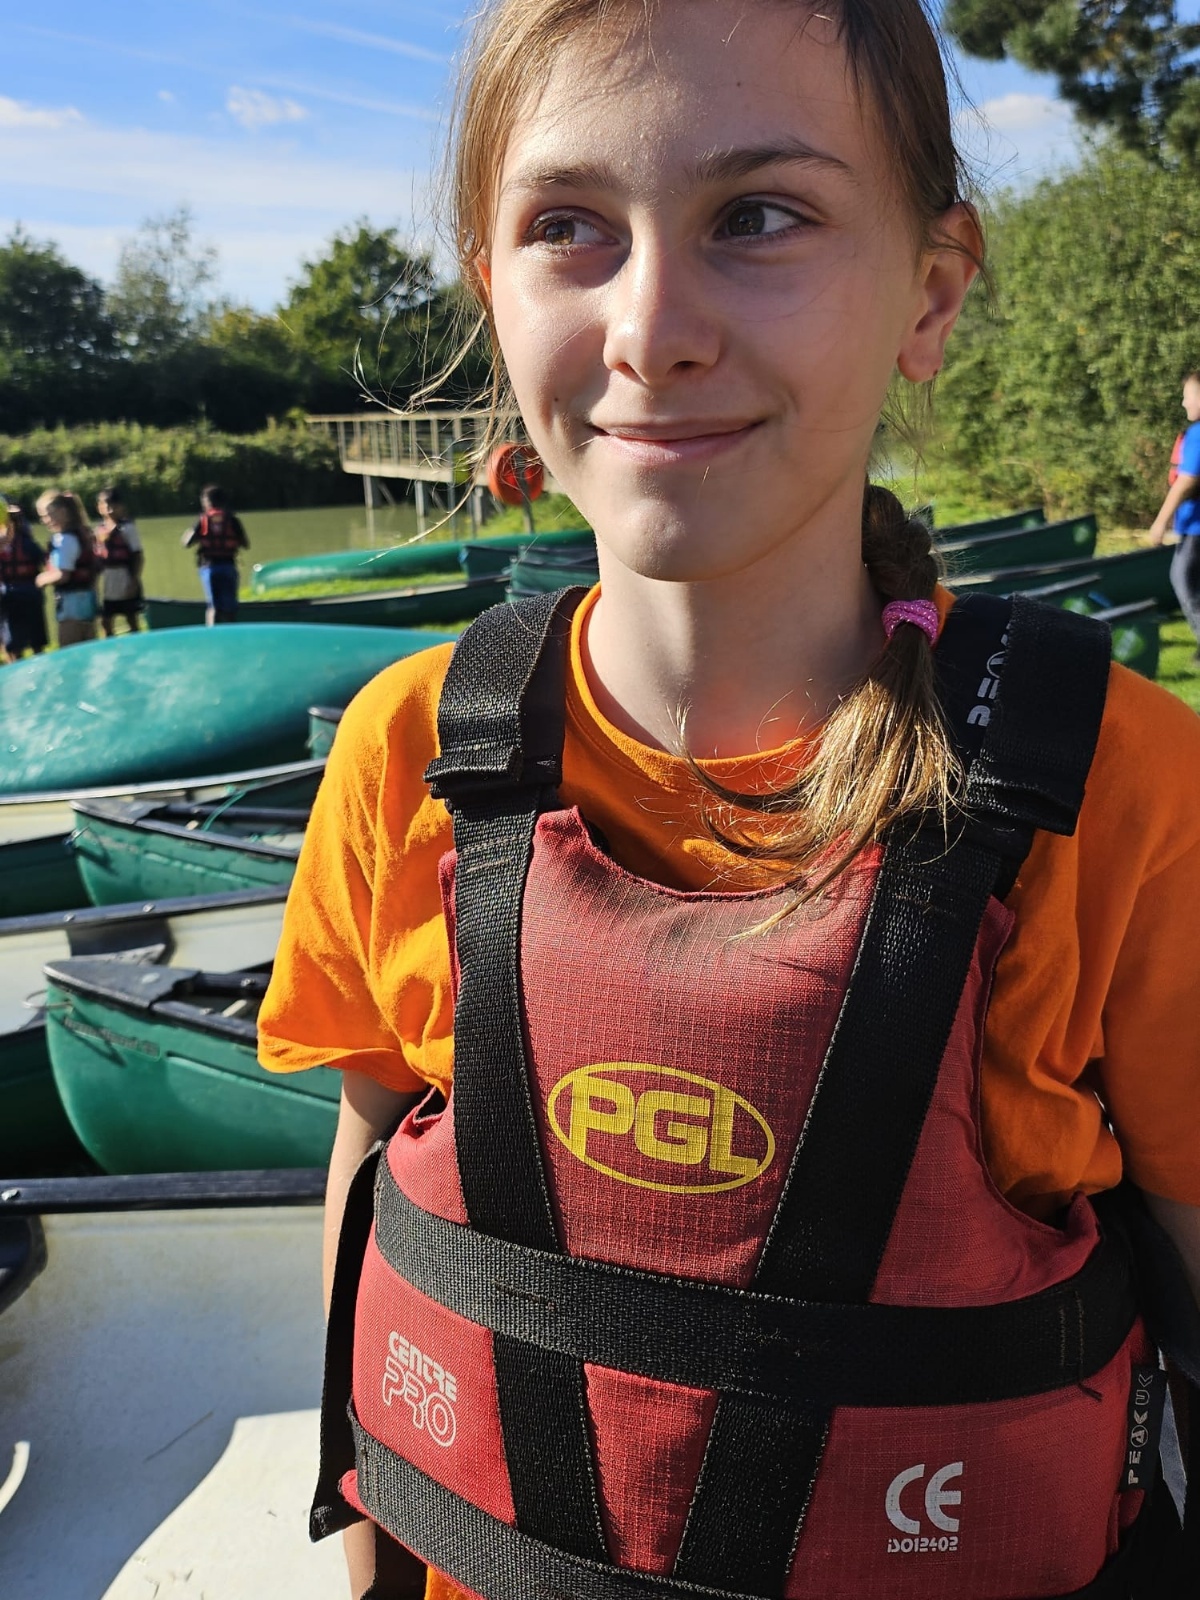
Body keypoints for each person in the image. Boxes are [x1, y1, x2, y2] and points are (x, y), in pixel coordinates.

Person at [258, 3, 1200, 1597]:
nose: (652, 328)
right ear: (493, 294)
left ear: (931, 291)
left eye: (758, 216)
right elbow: (374, 1214)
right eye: (568, 226)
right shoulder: (405, 748)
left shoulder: (1124, 792)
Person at [1149, 370, 1200, 654]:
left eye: (1188, 396)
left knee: (1184, 581)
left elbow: (1187, 480)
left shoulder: (1198, 434)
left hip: (1196, 527)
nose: (1184, 403)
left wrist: (1160, 522)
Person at [34, 489, 98, 647]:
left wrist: (41, 579)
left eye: (47, 515)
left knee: (69, 647)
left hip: (71, 603)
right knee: (87, 646)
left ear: (62, 512)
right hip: (87, 598)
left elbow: (63, 575)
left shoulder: (64, 540)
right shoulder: (81, 534)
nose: (44, 521)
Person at [181, 484, 248, 624]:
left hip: (209, 567)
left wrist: (192, 530)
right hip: (229, 566)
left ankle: (212, 633)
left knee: (213, 607)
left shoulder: (202, 521)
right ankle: (231, 633)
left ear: (207, 502)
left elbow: (186, 543)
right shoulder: (233, 520)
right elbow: (246, 544)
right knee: (230, 608)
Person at [0, 496, 49, 662]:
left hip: (21, 592)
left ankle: (25, 665)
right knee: (20, 643)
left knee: (22, 643)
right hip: (18, 593)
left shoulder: (27, 543)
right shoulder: (27, 542)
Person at [94, 484, 145, 636]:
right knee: (106, 620)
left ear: (121, 507)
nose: (109, 509)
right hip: (109, 580)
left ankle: (137, 644)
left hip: (125, 578)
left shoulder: (127, 528)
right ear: (99, 507)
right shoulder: (99, 530)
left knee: (131, 617)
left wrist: (134, 580)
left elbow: (138, 555)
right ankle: (111, 645)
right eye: (105, 505)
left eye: (113, 505)